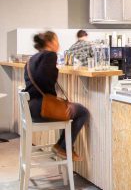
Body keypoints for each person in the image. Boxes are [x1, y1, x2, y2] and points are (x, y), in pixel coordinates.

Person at [24, 31, 89, 161]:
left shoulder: (31, 59)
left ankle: (61, 145)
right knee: (82, 112)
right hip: (43, 108)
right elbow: (47, 82)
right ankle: (63, 147)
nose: (58, 44)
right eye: (57, 41)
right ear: (50, 43)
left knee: (73, 109)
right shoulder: (50, 55)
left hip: (30, 108)